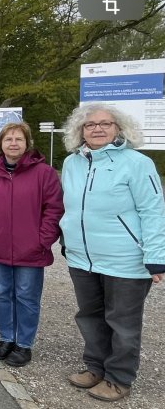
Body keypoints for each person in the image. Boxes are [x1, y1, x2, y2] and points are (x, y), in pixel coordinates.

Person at [59, 103, 165, 402]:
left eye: (105, 123)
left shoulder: (137, 163)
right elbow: (71, 207)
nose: (97, 128)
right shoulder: (72, 163)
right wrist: (68, 238)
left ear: (119, 128)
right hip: (82, 257)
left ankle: (118, 377)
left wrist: (156, 256)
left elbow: (153, 211)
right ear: (80, 130)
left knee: (123, 323)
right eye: (90, 124)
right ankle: (95, 367)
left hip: (125, 259)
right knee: (90, 316)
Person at [0, 122, 62, 367]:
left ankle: (24, 344)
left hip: (30, 249)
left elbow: (53, 209)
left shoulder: (44, 173)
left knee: (27, 297)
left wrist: (44, 239)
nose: (13, 143)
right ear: (0, 144)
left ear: (27, 143)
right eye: (8, 139)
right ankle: (6, 338)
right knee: (3, 296)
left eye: (18, 139)